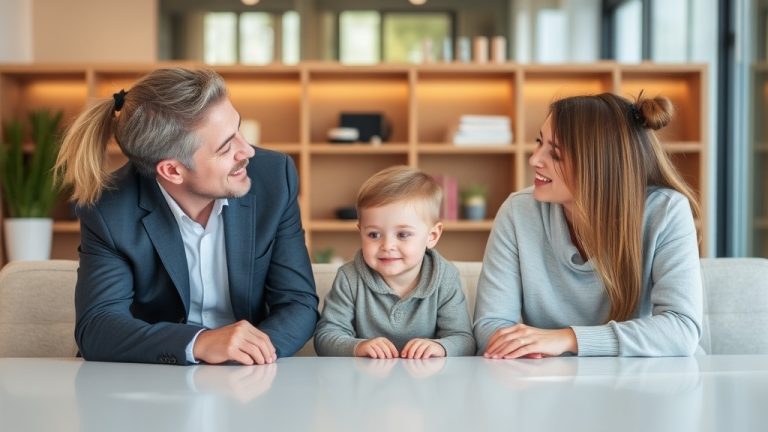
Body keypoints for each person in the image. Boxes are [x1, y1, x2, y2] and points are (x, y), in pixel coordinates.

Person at [54, 67, 318, 365]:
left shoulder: (274, 178)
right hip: (155, 381)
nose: (247, 151)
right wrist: (199, 344)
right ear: (172, 170)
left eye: (238, 130)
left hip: (248, 378)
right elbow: (98, 327)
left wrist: (250, 355)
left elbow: (298, 303)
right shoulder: (109, 209)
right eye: (226, 146)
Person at [473, 92, 703, 358]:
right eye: (539, 143)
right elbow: (491, 324)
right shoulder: (518, 211)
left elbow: (681, 330)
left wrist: (568, 339)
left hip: (647, 383)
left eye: (555, 154)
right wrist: (527, 351)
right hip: (550, 381)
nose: (534, 159)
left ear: (600, 166)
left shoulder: (666, 211)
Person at [314, 166, 475, 359]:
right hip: (365, 381)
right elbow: (325, 338)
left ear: (432, 236)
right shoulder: (349, 277)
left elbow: (464, 340)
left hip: (427, 382)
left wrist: (440, 348)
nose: (387, 245)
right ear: (360, 232)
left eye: (403, 234)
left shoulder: (445, 277)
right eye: (374, 234)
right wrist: (357, 347)